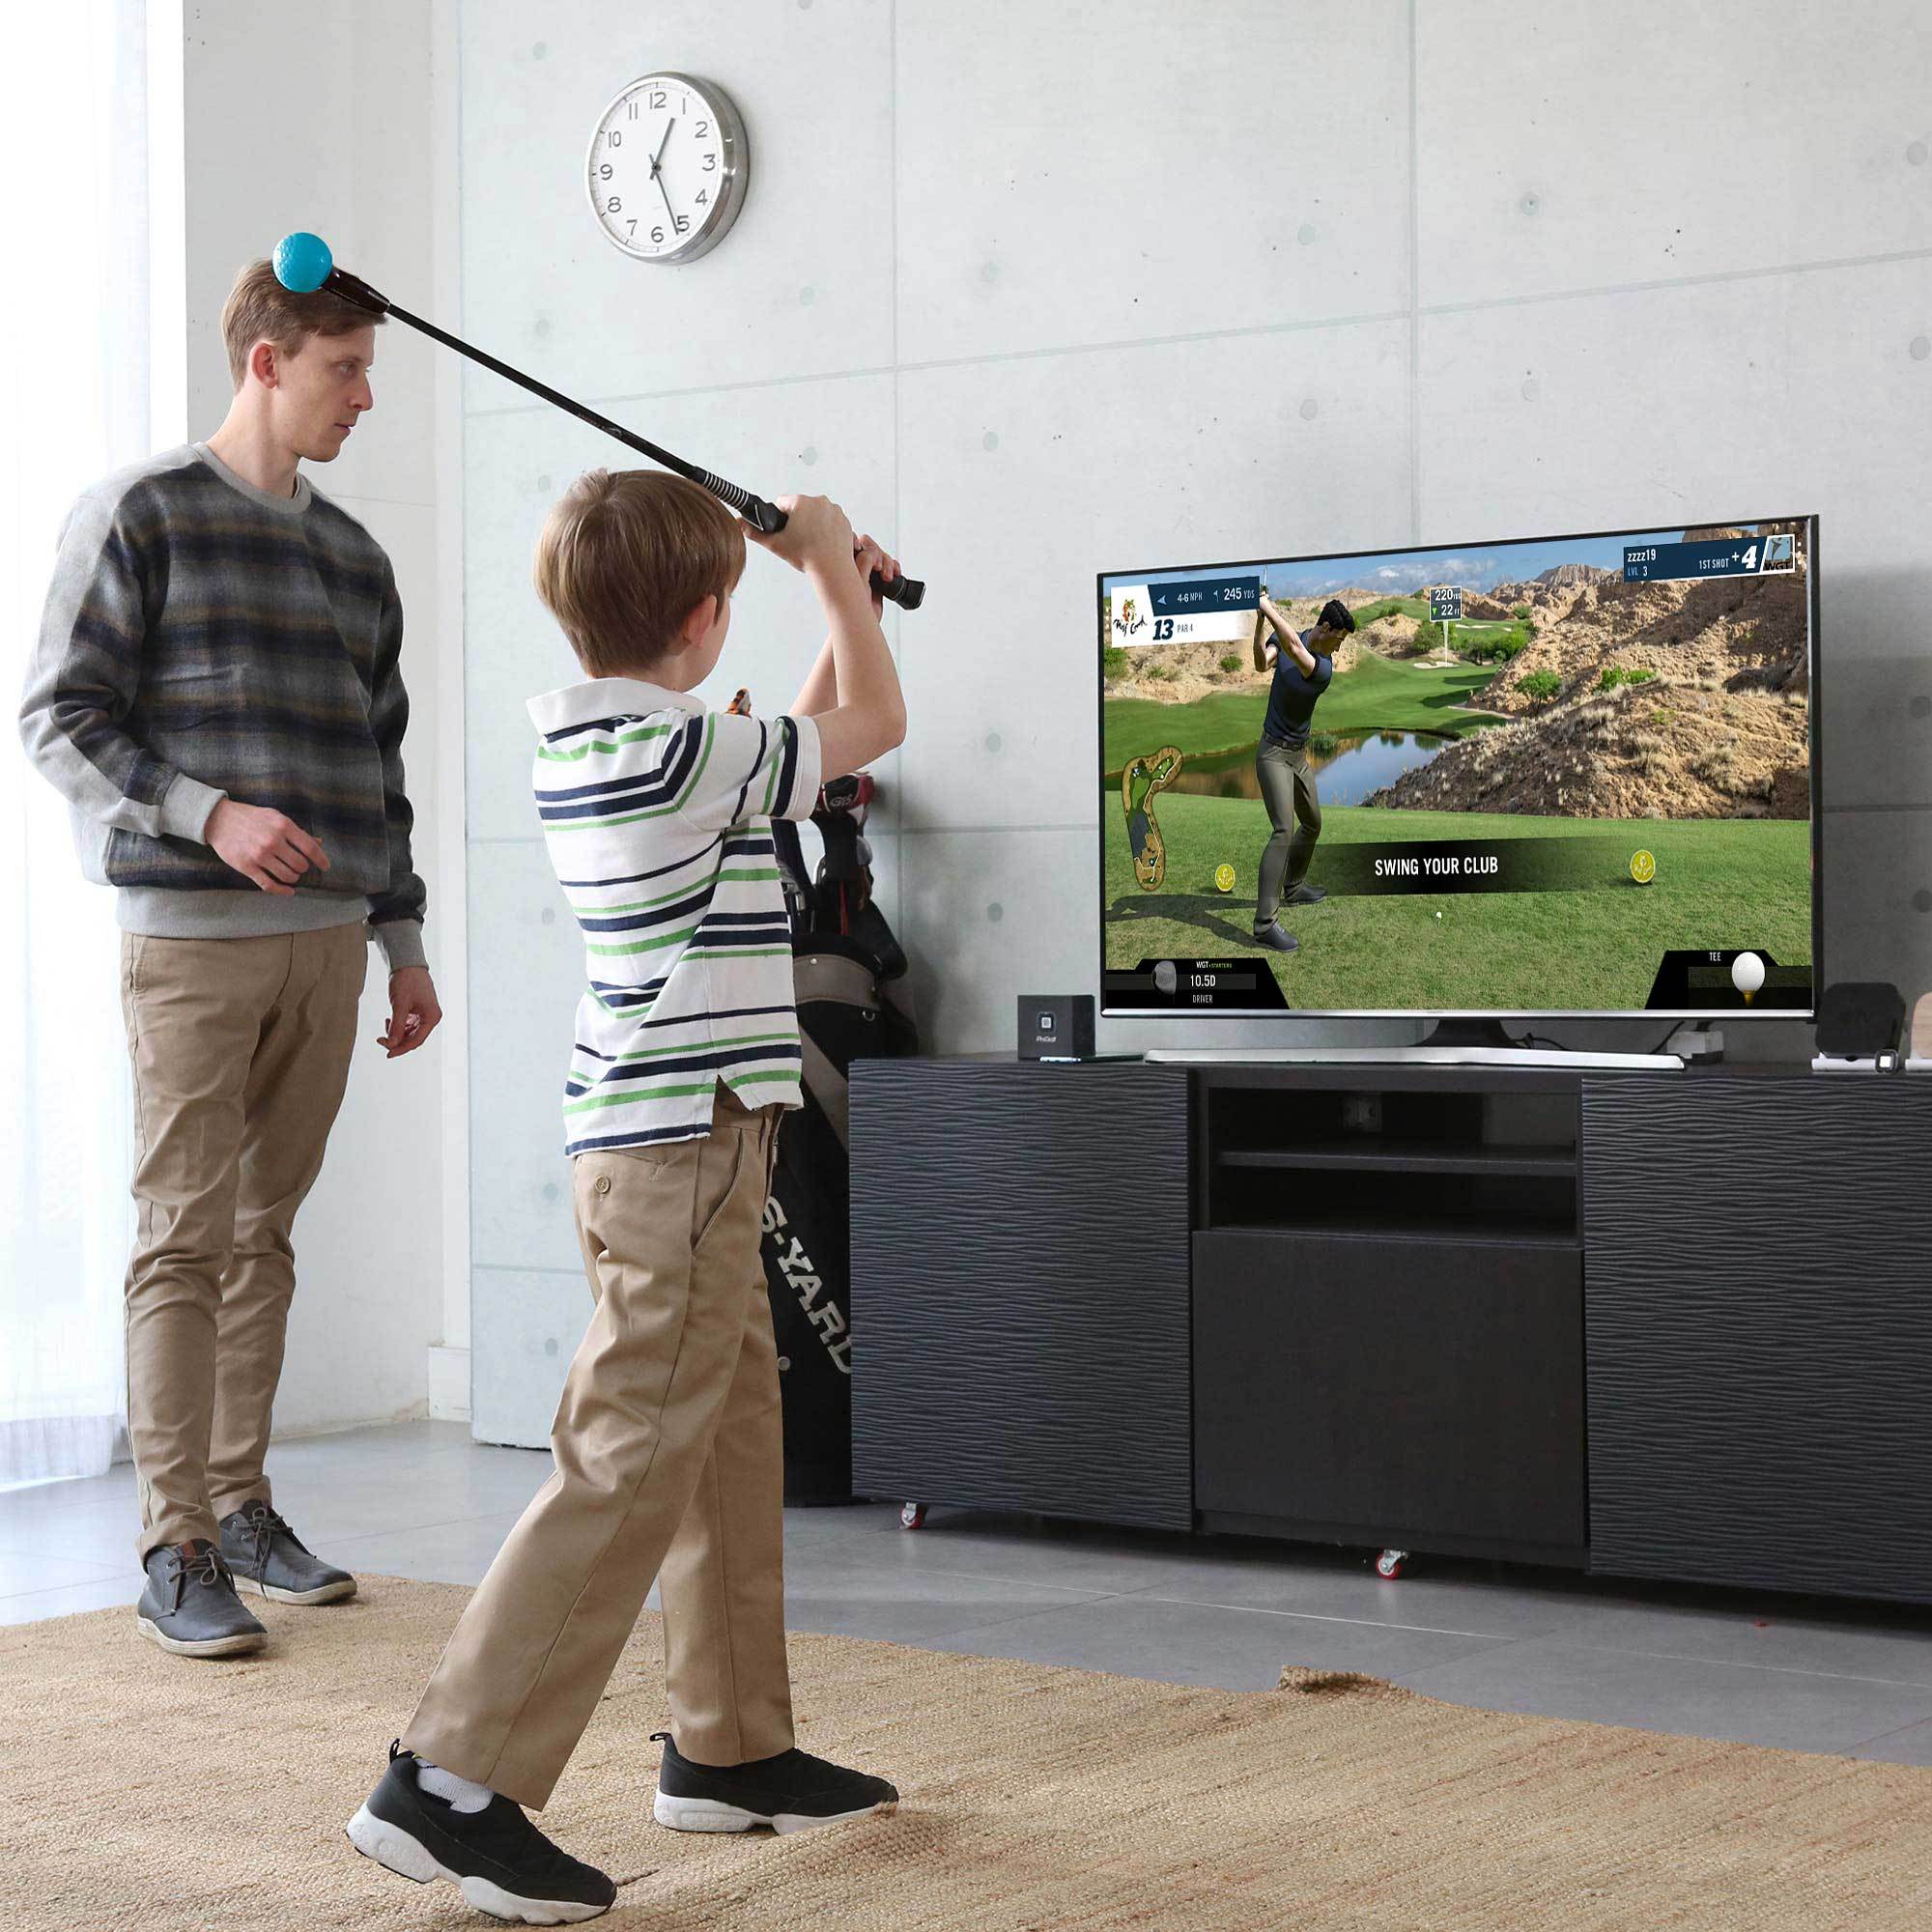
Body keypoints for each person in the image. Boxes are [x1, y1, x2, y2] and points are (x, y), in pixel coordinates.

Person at [347, 471, 907, 1922]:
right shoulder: (682, 753)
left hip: (653, 1139)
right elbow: (870, 730)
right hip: (685, 1146)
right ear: (705, 616)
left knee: (724, 1429)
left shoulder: (615, 742)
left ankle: (728, 1750)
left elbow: (765, 747)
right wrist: (837, 575)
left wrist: (818, 592)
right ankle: (449, 1779)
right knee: (629, 1455)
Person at [18, 260, 440, 1661]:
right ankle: (174, 1538)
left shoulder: (357, 560)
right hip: (191, 947)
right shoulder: (140, 516)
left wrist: (404, 944)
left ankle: (245, 1504)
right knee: (183, 1235)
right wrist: (210, 812)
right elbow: (55, 721)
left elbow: (378, 773)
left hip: (326, 949)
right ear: (266, 361)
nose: (366, 396)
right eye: (343, 370)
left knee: (266, 1239)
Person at [1250, 593, 1356, 953]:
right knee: (1284, 829)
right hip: (1272, 754)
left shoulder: (1323, 667)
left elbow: (1294, 647)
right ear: (1325, 628)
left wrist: (1266, 605)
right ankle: (1265, 925)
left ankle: (1293, 888)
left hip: (1297, 757)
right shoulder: (1289, 637)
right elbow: (1262, 664)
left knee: (1312, 823)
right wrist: (1261, 622)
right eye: (1339, 639)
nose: (1339, 649)